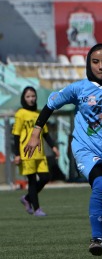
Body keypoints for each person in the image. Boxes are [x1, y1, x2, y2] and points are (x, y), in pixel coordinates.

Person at [24, 43, 102, 256]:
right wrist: (36, 132)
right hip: (85, 148)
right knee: (100, 183)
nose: (101, 66)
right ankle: (96, 239)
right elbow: (51, 105)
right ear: (89, 64)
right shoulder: (79, 88)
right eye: (95, 61)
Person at [12, 86, 60, 216]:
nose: (31, 99)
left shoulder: (39, 113)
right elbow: (16, 135)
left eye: (33, 96)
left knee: (45, 177)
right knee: (32, 181)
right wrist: (17, 154)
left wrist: (54, 147)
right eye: (28, 96)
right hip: (26, 152)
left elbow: (45, 133)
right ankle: (37, 209)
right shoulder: (20, 113)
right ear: (23, 98)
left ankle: (27, 198)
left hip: (40, 152)